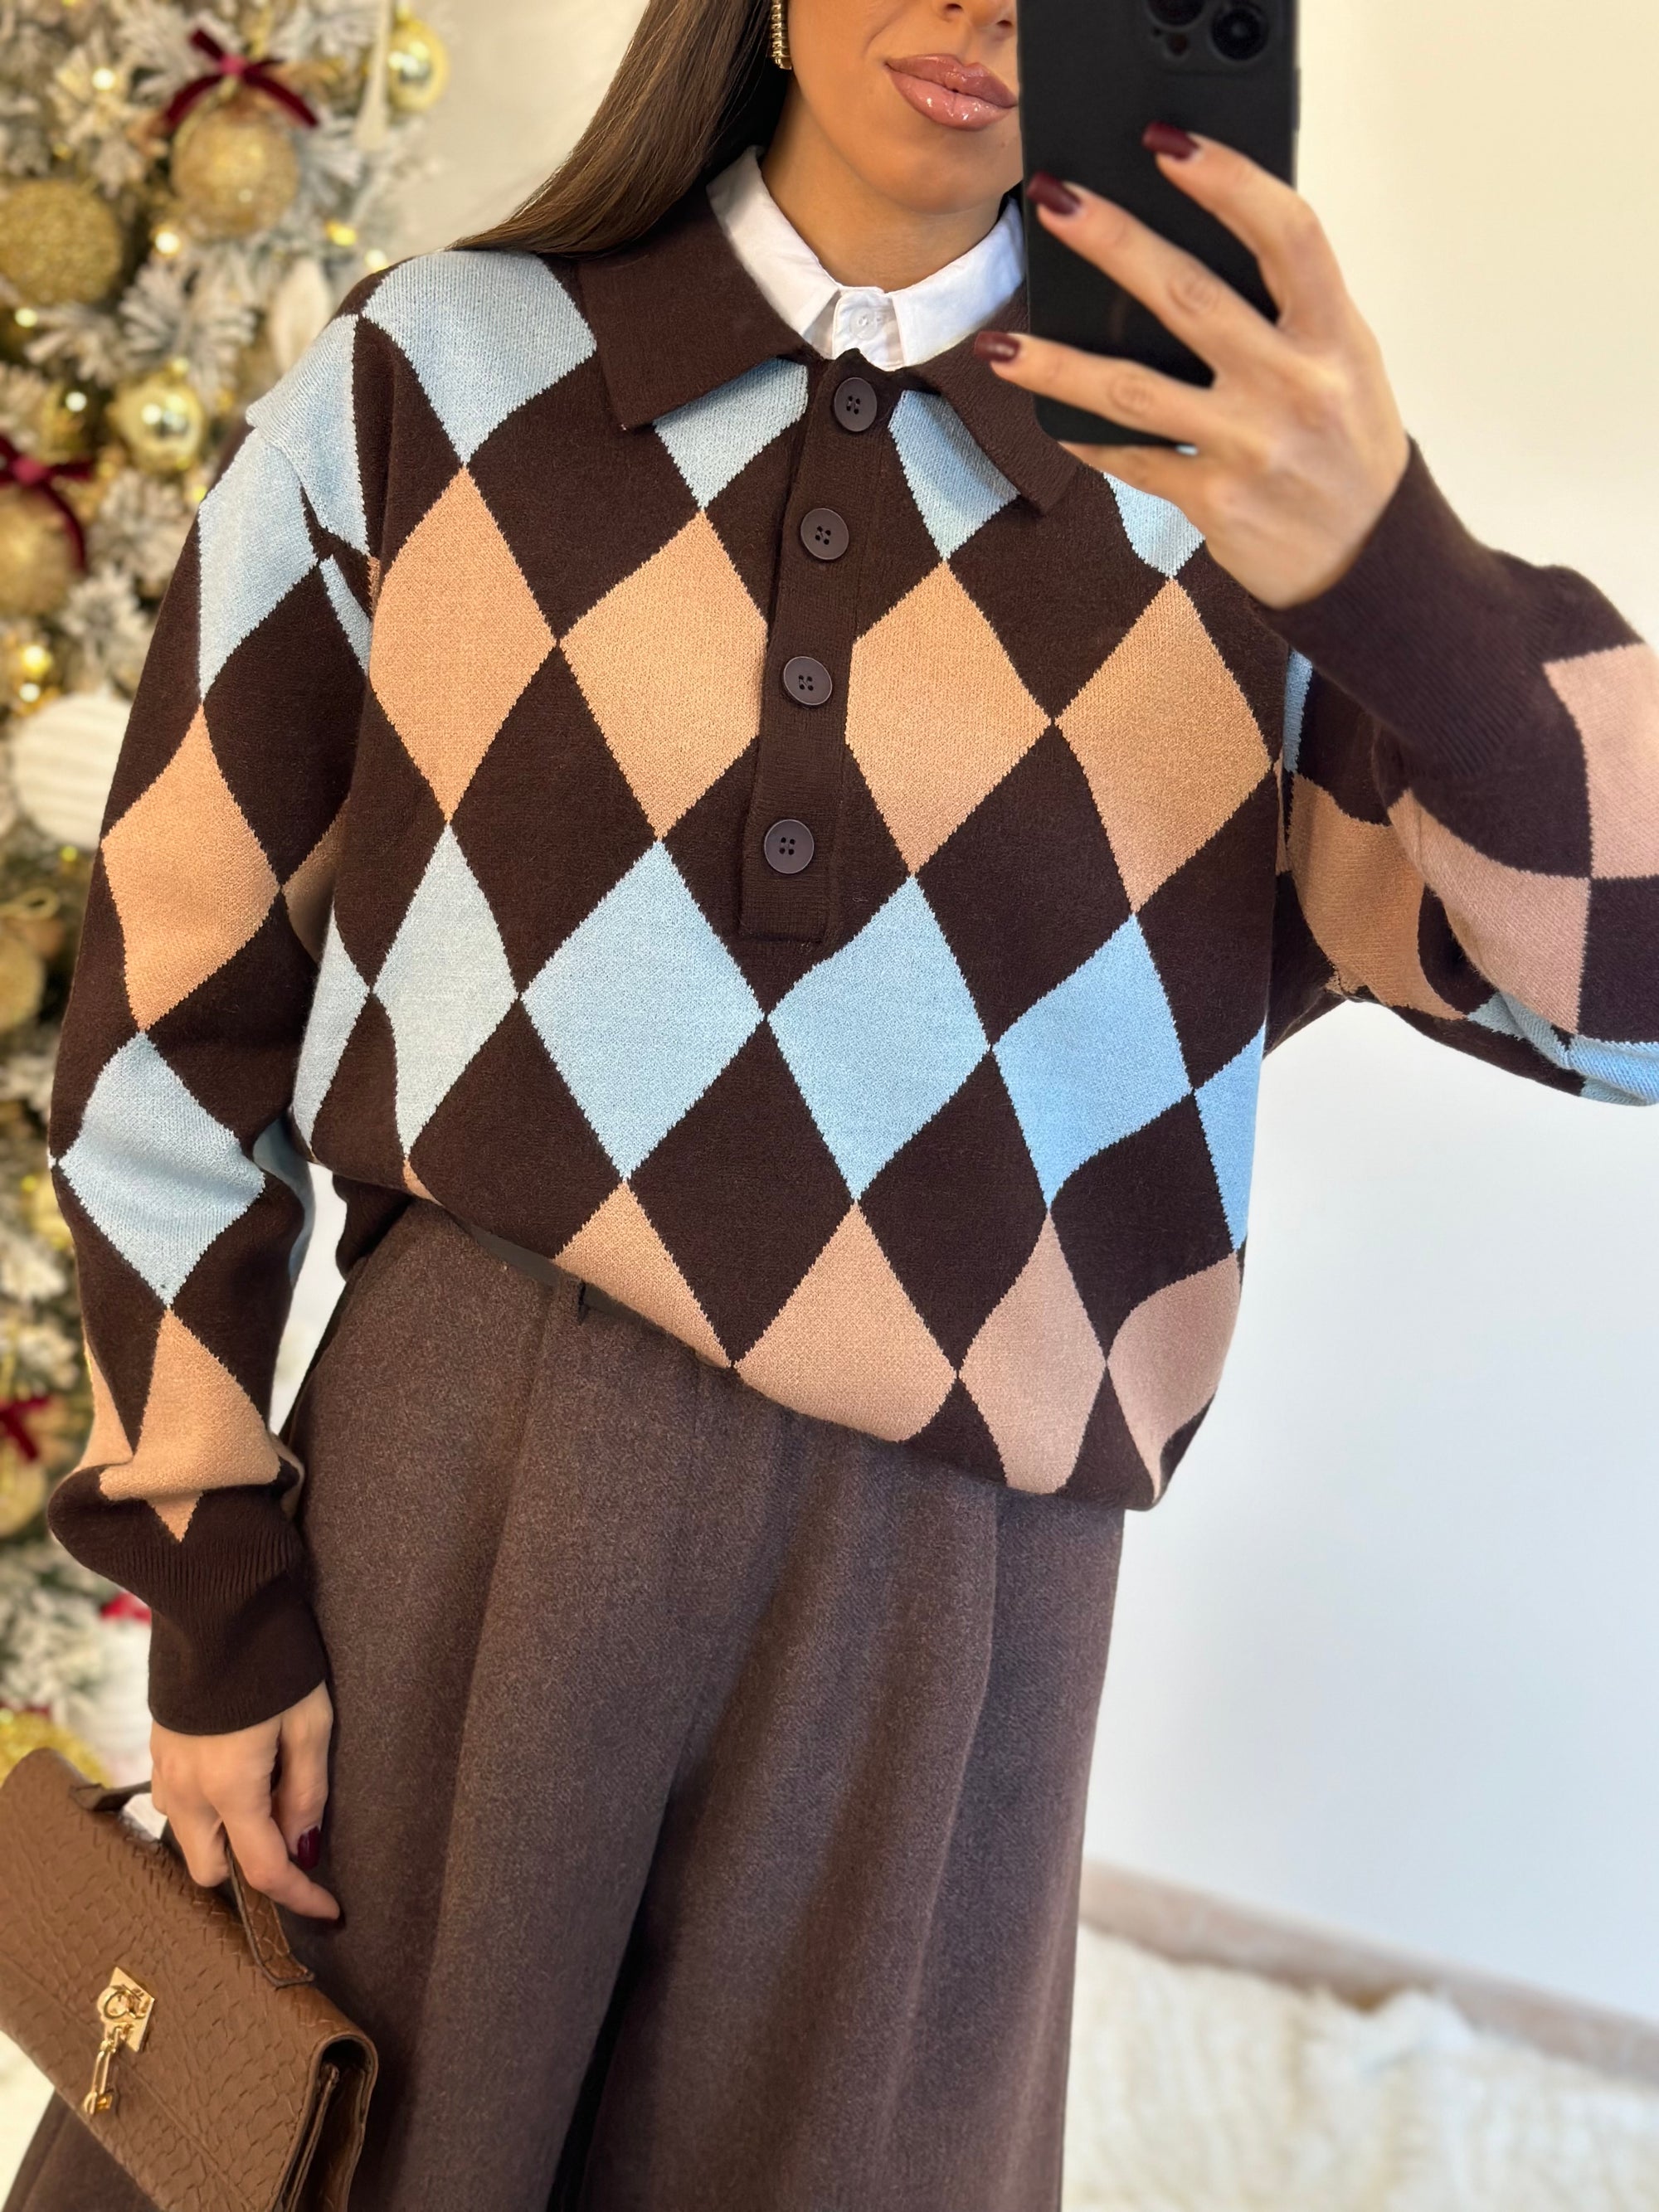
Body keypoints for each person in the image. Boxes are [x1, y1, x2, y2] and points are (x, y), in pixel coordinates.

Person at [17, 0, 1657, 2204]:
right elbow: (171, 986)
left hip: (948, 1639)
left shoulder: (1248, 525)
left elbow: (1631, 1009)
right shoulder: (438, 378)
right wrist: (208, 1570)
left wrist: (1396, 575)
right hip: (457, 1511)